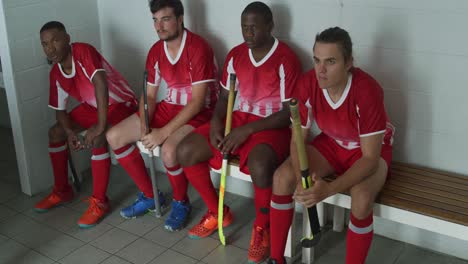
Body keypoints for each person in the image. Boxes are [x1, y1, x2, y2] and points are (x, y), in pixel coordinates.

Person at [176, 2, 302, 263]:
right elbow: (224, 98)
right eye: (244, 27)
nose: (248, 33)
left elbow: (289, 112)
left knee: (260, 164)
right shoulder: (235, 55)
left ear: (270, 26)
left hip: (269, 126)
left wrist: (248, 130)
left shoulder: (286, 59)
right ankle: (217, 211)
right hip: (237, 121)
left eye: (254, 27)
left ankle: (261, 228)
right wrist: (215, 124)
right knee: (186, 150)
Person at [268, 27, 395, 264]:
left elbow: (369, 159)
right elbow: (297, 139)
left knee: (362, 197)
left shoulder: (367, 90)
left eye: (331, 61)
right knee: (281, 177)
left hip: (367, 150)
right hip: (332, 144)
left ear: (349, 63)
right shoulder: (308, 83)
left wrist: (328, 189)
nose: (321, 70)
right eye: (317, 60)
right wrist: (301, 179)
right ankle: (276, 259)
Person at [105, 0, 219, 232]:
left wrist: (163, 133)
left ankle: (181, 202)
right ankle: (149, 195)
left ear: (179, 19)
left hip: (201, 111)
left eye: (165, 19)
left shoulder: (198, 47)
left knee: (168, 151)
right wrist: (145, 123)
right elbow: (148, 96)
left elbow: (198, 102)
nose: (159, 26)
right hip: (170, 106)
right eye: (155, 20)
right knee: (115, 136)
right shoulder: (156, 50)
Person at [35, 21, 138, 228]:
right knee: (55, 133)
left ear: (67, 39)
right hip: (92, 107)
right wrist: (70, 133)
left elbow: (101, 83)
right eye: (45, 44)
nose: (50, 48)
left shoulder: (83, 51)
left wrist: (100, 125)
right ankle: (62, 190)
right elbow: (59, 110)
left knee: (98, 136)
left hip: (120, 103)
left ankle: (100, 202)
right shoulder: (55, 73)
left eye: (55, 40)